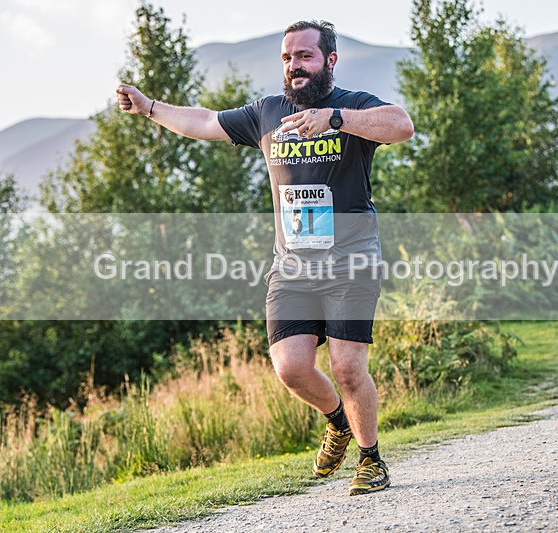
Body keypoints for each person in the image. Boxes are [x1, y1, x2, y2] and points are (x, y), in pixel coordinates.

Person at [116, 20, 414, 496]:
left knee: (346, 367)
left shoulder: (354, 106)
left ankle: (370, 458)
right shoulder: (268, 113)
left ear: (329, 61)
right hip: (293, 264)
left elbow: (402, 125)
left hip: (352, 259)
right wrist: (149, 108)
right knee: (290, 368)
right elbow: (204, 121)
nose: (294, 66)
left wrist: (335, 120)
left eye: (305, 57)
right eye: (287, 58)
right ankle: (337, 422)